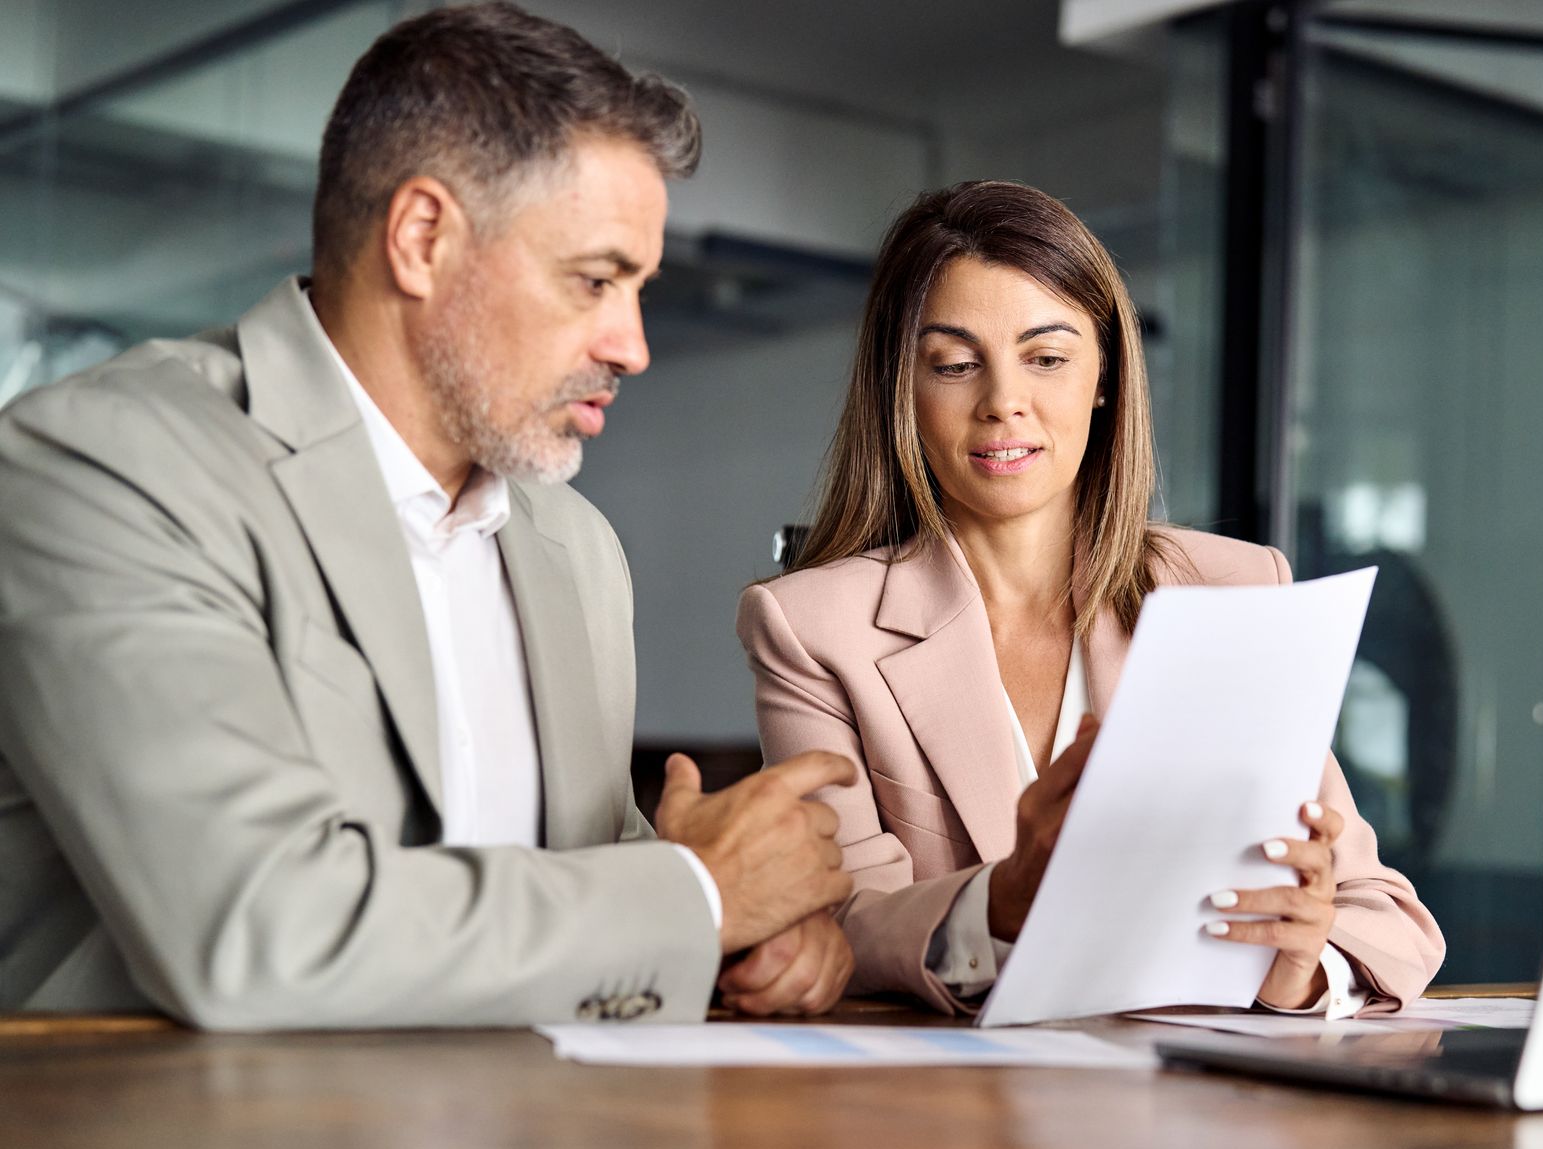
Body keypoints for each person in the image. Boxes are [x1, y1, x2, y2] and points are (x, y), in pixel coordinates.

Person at [0, 3, 859, 1028]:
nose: (631, 344)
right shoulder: (104, 465)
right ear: (422, 238)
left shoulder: (576, 549)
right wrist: (698, 897)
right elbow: (259, 927)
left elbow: (597, 893)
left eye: (640, 289)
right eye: (594, 279)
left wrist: (745, 938)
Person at [738, 181, 1444, 1017]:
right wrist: (995, 904)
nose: (1004, 401)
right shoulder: (813, 628)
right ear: (904, 391)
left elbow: (1389, 919)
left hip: (1194, 1111)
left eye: (1047, 357)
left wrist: (1300, 962)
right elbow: (837, 922)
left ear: (1104, 377)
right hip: (948, 1120)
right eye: (956, 365)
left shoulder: (1232, 590)